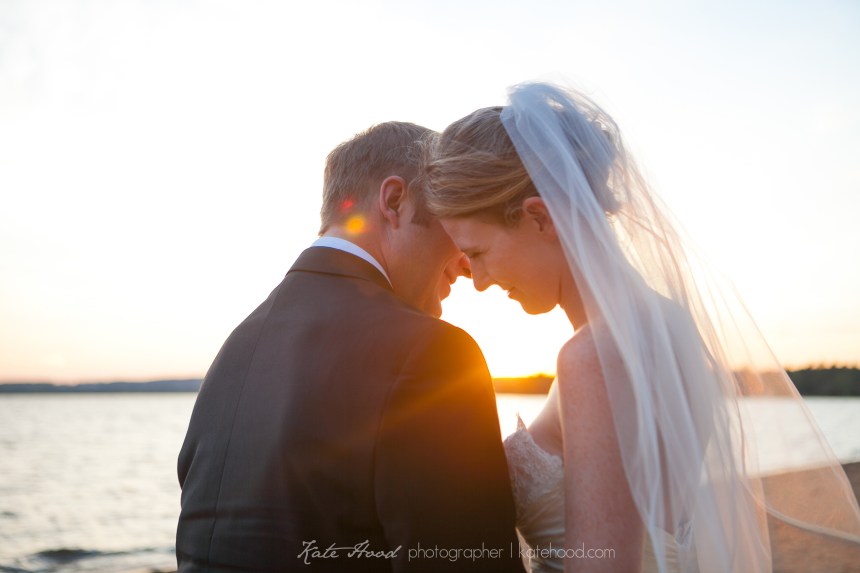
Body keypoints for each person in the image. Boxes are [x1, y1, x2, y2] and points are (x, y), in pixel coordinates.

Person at [420, 82, 860, 572]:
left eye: (478, 253)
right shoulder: (670, 323)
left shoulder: (593, 358)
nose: (478, 281)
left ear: (539, 218)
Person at [176, 121, 525, 572]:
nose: (464, 258)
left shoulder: (233, 352)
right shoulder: (433, 353)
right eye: (450, 212)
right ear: (394, 200)